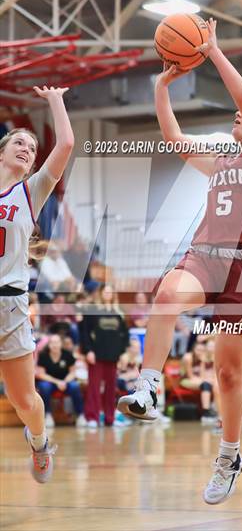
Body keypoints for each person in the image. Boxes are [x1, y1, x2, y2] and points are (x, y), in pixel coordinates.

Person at [118, 18, 242, 504]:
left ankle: (228, 455)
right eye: (240, 113)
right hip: (204, 257)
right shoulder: (222, 159)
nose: (238, 114)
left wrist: (214, 51)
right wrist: (161, 87)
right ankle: (148, 388)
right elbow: (174, 139)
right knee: (166, 294)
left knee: (228, 373)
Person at [0, 85, 74, 483]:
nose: (27, 148)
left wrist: (55, 101)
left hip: (10, 306)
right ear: (2, 151)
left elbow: (65, 145)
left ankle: (40, 442)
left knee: (24, 400)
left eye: (31, 146)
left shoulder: (30, 191)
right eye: (18, 142)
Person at [80, 284, 128, 427]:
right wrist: (88, 350)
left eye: (110, 292)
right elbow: (84, 332)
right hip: (96, 355)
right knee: (94, 388)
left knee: (111, 389)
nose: (107, 294)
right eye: (105, 291)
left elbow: (124, 335)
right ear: (100, 293)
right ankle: (92, 417)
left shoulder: (118, 313)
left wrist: (123, 352)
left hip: (113, 356)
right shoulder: (92, 310)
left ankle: (110, 418)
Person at [36, 334, 85, 428]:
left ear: (61, 344)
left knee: (75, 386)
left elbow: (73, 372)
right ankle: (47, 415)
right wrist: (57, 382)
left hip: (66, 382)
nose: (55, 345)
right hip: (51, 383)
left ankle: (80, 415)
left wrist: (64, 382)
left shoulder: (67, 354)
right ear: (49, 345)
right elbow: (41, 374)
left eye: (57, 342)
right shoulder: (43, 355)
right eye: (52, 342)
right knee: (44, 387)